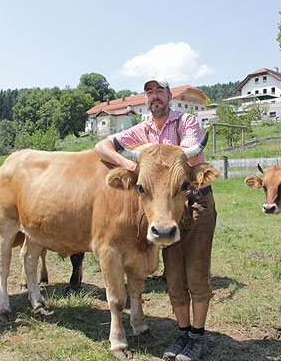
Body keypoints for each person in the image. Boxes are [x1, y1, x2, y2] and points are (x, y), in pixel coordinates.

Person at [94, 76, 216, 361]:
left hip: (193, 202)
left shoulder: (186, 122)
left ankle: (198, 338)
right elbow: (103, 146)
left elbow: (183, 158)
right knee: (173, 276)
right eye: (149, 92)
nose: (154, 96)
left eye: (159, 91)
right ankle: (183, 333)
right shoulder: (143, 128)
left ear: (169, 96)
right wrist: (130, 166)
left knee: (196, 274)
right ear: (145, 99)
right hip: (163, 210)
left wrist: (145, 159)